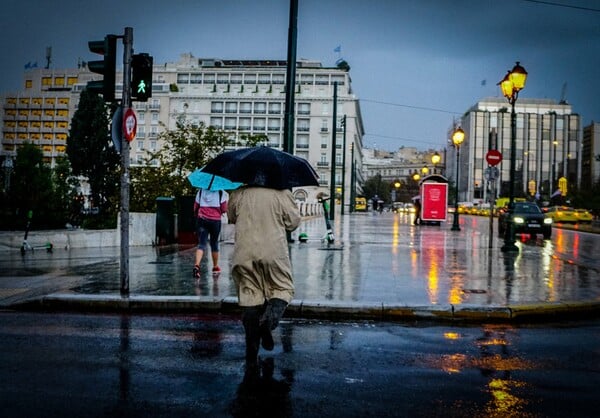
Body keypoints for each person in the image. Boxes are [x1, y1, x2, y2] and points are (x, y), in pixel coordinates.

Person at [227, 186, 301, 365]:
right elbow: (293, 222)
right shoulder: (282, 193)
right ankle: (268, 323)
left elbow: (231, 217)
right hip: (273, 251)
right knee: (283, 287)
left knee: (249, 295)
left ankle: (251, 352)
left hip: (244, 251)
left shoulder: (238, 192)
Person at [193, 188, 228, 278]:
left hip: (202, 220)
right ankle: (215, 267)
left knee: (201, 244)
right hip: (215, 221)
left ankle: (196, 266)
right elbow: (224, 209)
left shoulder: (201, 191)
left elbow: (196, 206)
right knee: (214, 243)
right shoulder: (221, 192)